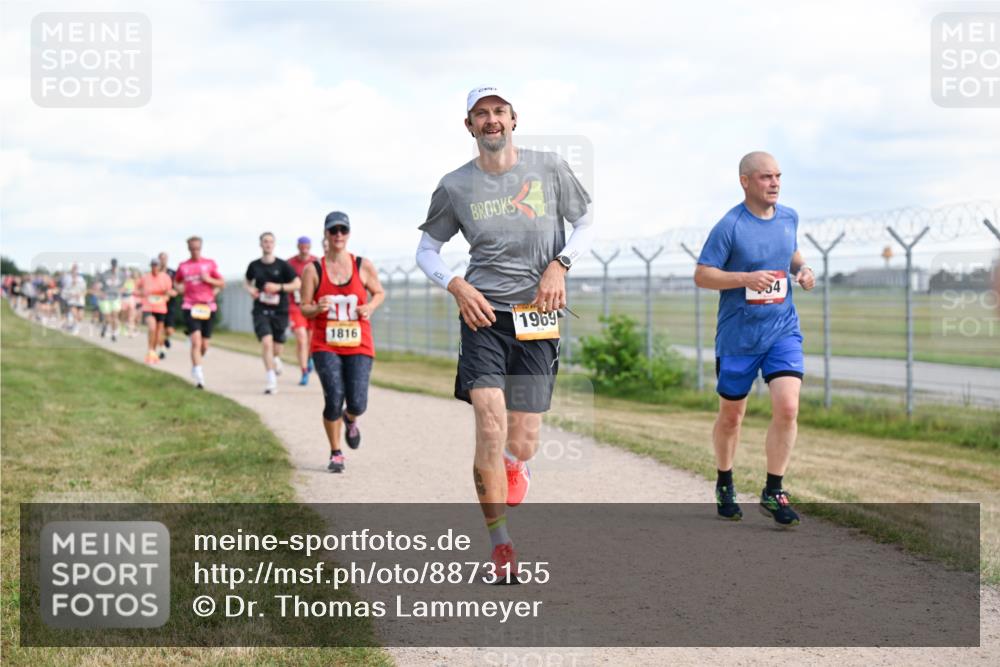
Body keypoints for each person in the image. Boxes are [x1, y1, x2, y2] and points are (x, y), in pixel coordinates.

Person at [415, 86, 595, 582]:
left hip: (537, 314)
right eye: (481, 114)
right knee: (490, 422)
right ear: (469, 126)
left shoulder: (549, 167)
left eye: (499, 112)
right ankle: (501, 545)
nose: (491, 120)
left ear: (514, 120)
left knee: (525, 437)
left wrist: (560, 265)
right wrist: (455, 284)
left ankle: (519, 464)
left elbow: (585, 223)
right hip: (484, 316)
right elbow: (427, 251)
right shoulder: (455, 186)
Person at [694, 151, 815, 528]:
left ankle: (773, 489)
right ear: (746, 181)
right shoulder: (730, 226)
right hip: (738, 336)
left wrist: (804, 269)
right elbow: (702, 275)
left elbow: (789, 251)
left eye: (778, 176)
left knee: (788, 407)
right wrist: (745, 278)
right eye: (766, 177)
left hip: (782, 330)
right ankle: (725, 482)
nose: (775, 183)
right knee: (732, 416)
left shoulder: (789, 217)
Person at [299, 211, 384, 473]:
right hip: (326, 343)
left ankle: (350, 418)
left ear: (348, 234)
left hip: (359, 343)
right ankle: (336, 452)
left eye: (343, 231)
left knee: (357, 402)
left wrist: (369, 307)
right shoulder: (313, 269)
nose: (338, 235)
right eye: (333, 230)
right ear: (325, 233)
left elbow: (379, 292)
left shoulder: (362, 265)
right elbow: (303, 308)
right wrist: (316, 307)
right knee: (334, 397)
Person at [245, 232, 300, 394]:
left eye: (270, 242)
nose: (268, 244)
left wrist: (279, 287)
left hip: (280, 310)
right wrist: (251, 290)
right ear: (260, 244)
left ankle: (276, 359)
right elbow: (247, 281)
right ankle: (271, 380)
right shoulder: (254, 265)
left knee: (278, 345)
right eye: (265, 241)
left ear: (274, 244)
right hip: (261, 309)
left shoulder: (283, 265)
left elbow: (297, 283)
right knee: (266, 342)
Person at [175, 236, 225, 389]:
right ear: (188, 248)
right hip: (190, 305)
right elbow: (176, 282)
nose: (195, 251)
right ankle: (199, 375)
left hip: (207, 307)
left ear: (201, 247)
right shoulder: (183, 266)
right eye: (192, 248)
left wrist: (209, 280)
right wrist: (179, 289)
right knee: (195, 341)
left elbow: (221, 283)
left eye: (197, 248)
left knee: (204, 345)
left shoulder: (209, 264)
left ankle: (197, 362)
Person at [287, 236, 320, 385]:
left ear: (310, 246)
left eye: (307, 245)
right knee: (301, 338)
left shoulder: (317, 262)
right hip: (296, 305)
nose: (304, 247)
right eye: (302, 245)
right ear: (298, 246)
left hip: (313, 305)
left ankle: (309, 358)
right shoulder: (290, 263)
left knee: (311, 340)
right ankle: (304, 371)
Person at [138, 258, 176, 364]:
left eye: (156, 265)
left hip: (161, 308)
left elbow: (170, 292)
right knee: (152, 327)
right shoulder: (145, 277)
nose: (155, 268)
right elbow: (137, 289)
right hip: (148, 307)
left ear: (160, 266)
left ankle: (153, 352)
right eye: (153, 265)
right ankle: (150, 350)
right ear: (150, 266)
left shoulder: (166, 277)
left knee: (158, 332)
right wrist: (142, 293)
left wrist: (167, 295)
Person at [97, 259, 125, 341]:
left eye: (115, 265)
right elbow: (98, 284)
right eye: (113, 265)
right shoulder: (105, 274)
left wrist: (121, 290)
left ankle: (113, 334)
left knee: (115, 316)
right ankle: (105, 326)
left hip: (115, 298)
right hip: (106, 298)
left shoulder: (121, 275)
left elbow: (124, 286)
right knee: (108, 317)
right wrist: (100, 292)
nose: (114, 267)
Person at [158, 252, 180, 357]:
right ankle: (162, 350)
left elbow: (177, 288)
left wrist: (173, 292)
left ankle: (166, 338)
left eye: (165, 258)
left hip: (170, 303)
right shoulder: (155, 272)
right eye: (161, 258)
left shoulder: (173, 273)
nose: (163, 260)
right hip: (157, 304)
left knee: (169, 330)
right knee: (160, 327)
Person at [60, 264, 87, 335]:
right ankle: (75, 329)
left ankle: (72, 325)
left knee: (80, 317)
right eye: (73, 269)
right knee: (74, 313)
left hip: (80, 300)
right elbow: (64, 289)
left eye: (76, 269)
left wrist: (81, 294)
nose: (75, 271)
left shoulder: (81, 279)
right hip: (71, 299)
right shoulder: (67, 278)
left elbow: (84, 290)